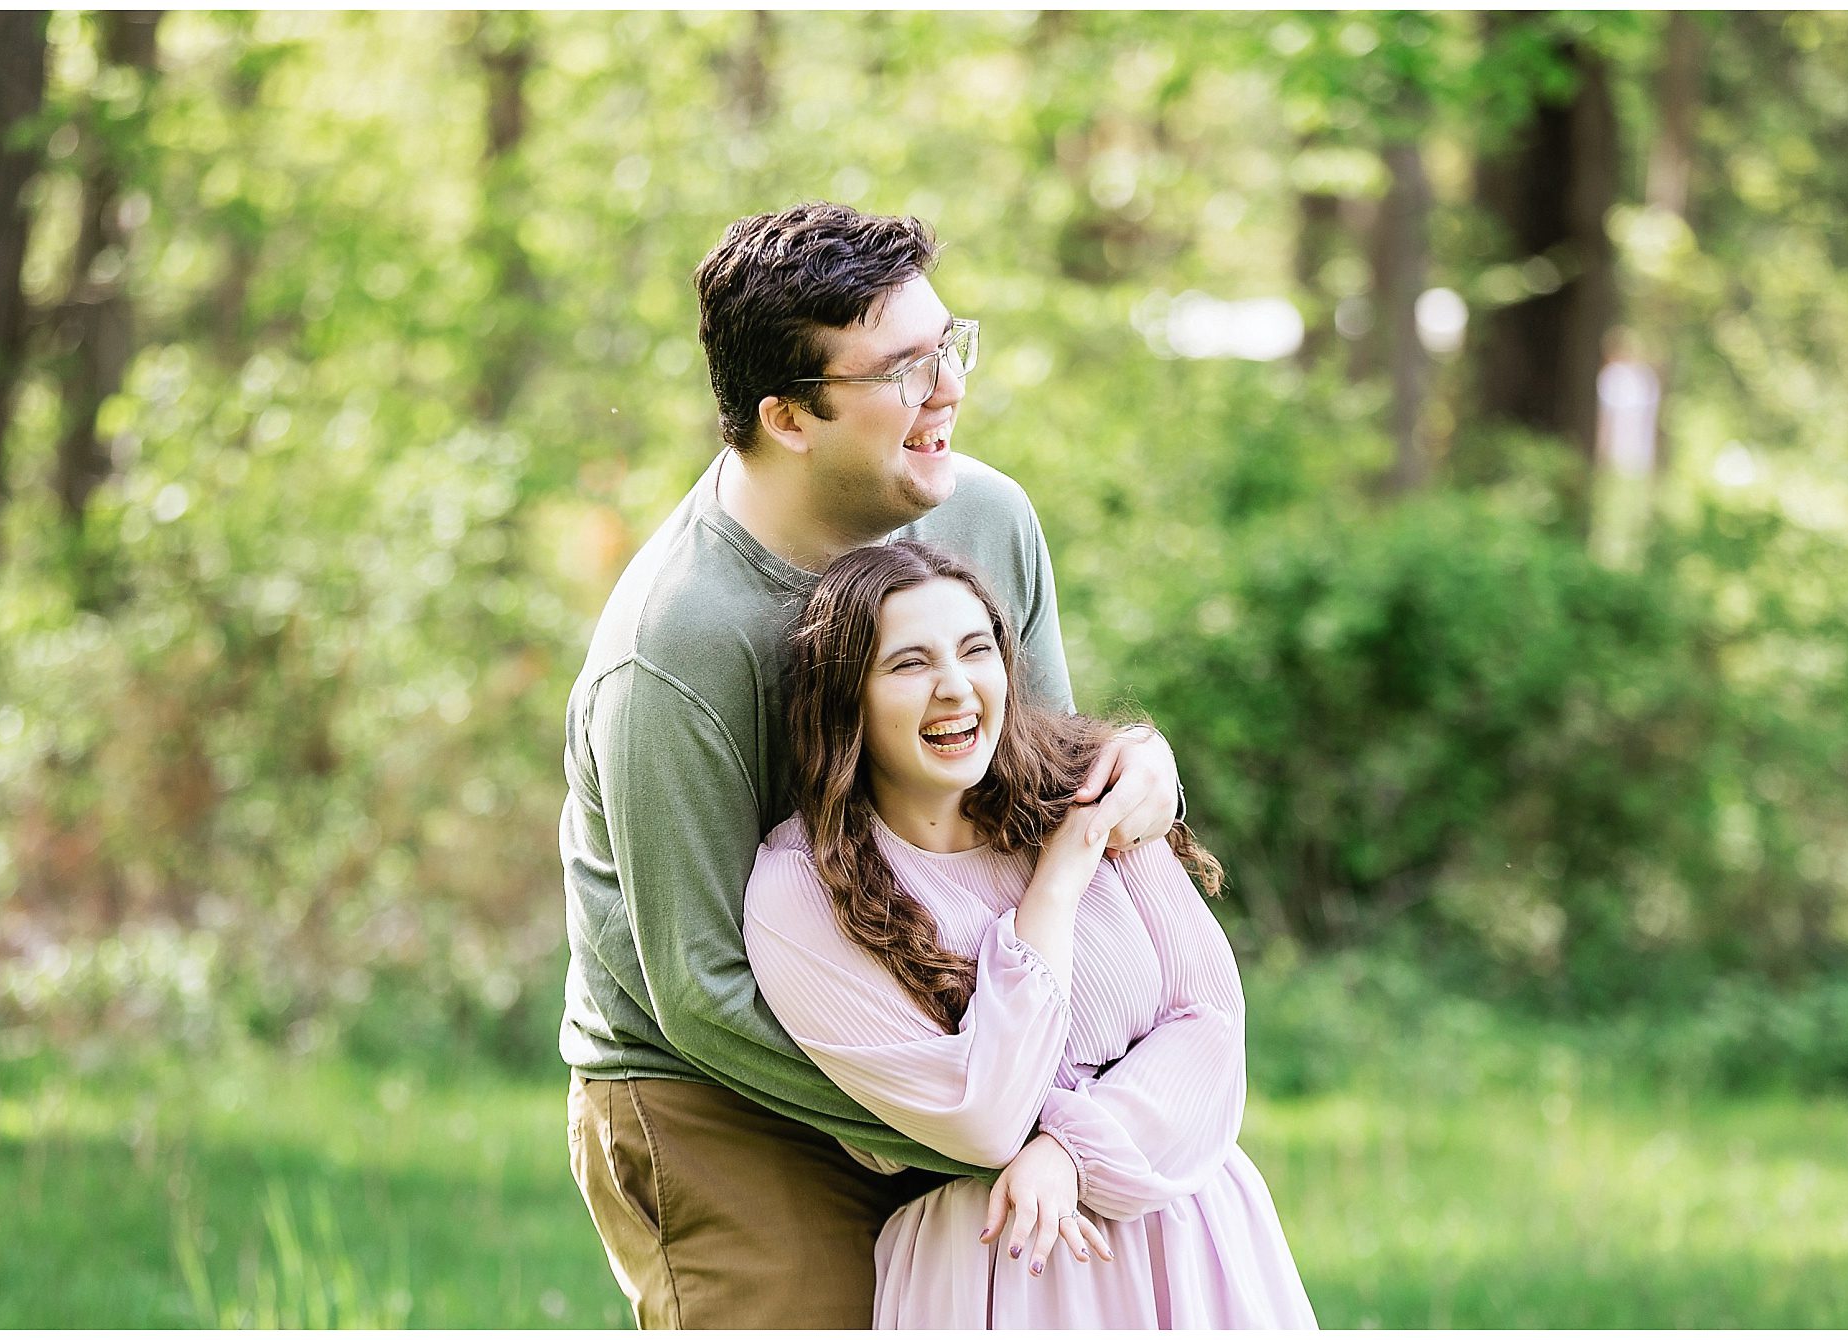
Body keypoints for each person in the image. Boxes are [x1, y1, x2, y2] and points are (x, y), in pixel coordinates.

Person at [559, 202, 1186, 1328]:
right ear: (788, 417)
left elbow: (1027, 790)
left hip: (954, 1044)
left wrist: (1143, 773)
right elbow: (696, 992)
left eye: (950, 347)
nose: (946, 389)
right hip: (723, 1088)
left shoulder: (985, 519)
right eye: (903, 370)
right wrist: (989, 1123)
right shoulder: (673, 649)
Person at [744, 540, 1317, 1328]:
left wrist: (1071, 1154)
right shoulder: (803, 887)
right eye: (909, 664)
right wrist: (1058, 881)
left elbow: (1212, 1027)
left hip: (1188, 1226)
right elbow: (985, 1113)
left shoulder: (1084, 784)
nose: (956, 687)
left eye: (976, 650)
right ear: (848, 698)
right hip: (997, 1256)